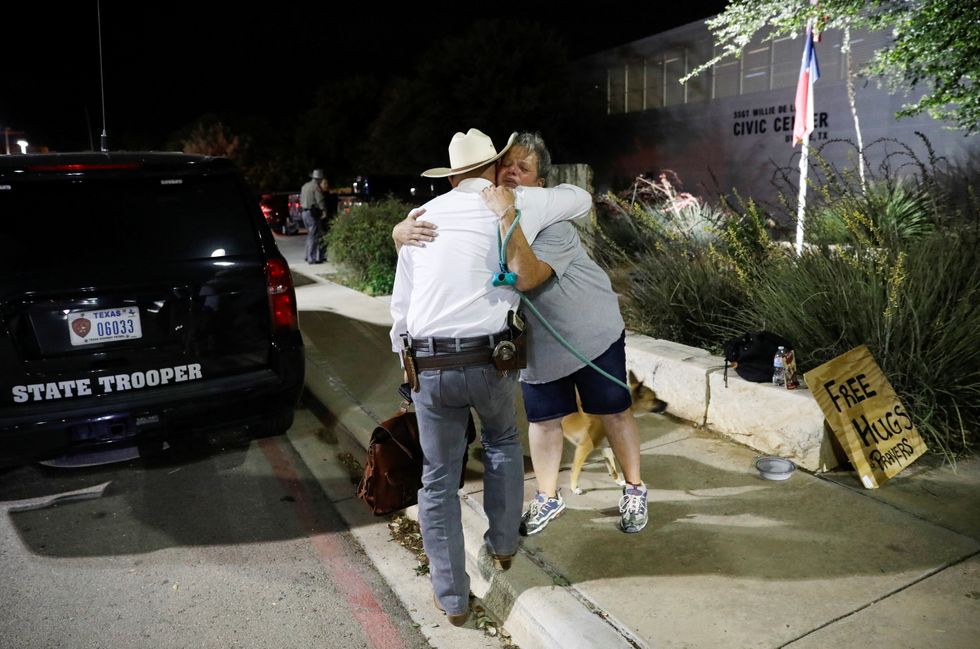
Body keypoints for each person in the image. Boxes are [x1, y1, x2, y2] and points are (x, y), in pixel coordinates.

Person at [394, 132, 649, 536]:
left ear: (540, 185)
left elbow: (526, 277)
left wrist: (508, 216)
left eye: (523, 168)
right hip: (537, 344)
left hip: (588, 334)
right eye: (507, 165)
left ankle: (634, 489)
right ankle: (548, 497)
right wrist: (400, 234)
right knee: (544, 421)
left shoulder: (551, 226)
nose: (512, 172)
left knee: (613, 411)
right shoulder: (488, 217)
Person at [389, 128, 591, 627]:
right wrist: (516, 202)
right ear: (494, 165)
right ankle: (502, 546)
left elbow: (402, 307)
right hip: (491, 360)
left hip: (430, 365)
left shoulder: (421, 219)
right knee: (501, 444)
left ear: (452, 174)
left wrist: (405, 362)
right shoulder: (516, 202)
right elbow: (582, 198)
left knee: (438, 477)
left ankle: (452, 596)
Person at [300, 169, 327, 264]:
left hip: (303, 212)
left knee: (310, 235)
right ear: (319, 179)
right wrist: (323, 211)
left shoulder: (305, 186)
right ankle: (312, 258)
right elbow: (319, 200)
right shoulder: (316, 187)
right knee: (313, 235)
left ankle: (307, 256)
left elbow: (301, 199)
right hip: (311, 213)